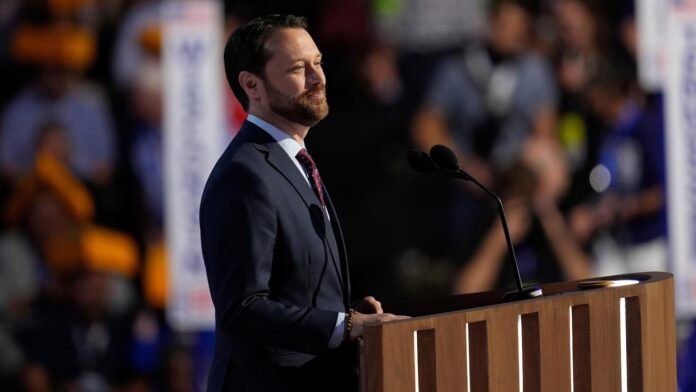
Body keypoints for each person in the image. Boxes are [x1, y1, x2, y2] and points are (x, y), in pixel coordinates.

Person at [199, 15, 407, 392]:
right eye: (298, 68)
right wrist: (346, 327)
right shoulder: (244, 174)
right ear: (252, 85)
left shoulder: (294, 161)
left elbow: (296, 286)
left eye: (318, 62)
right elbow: (242, 308)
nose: (318, 77)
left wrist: (348, 315)